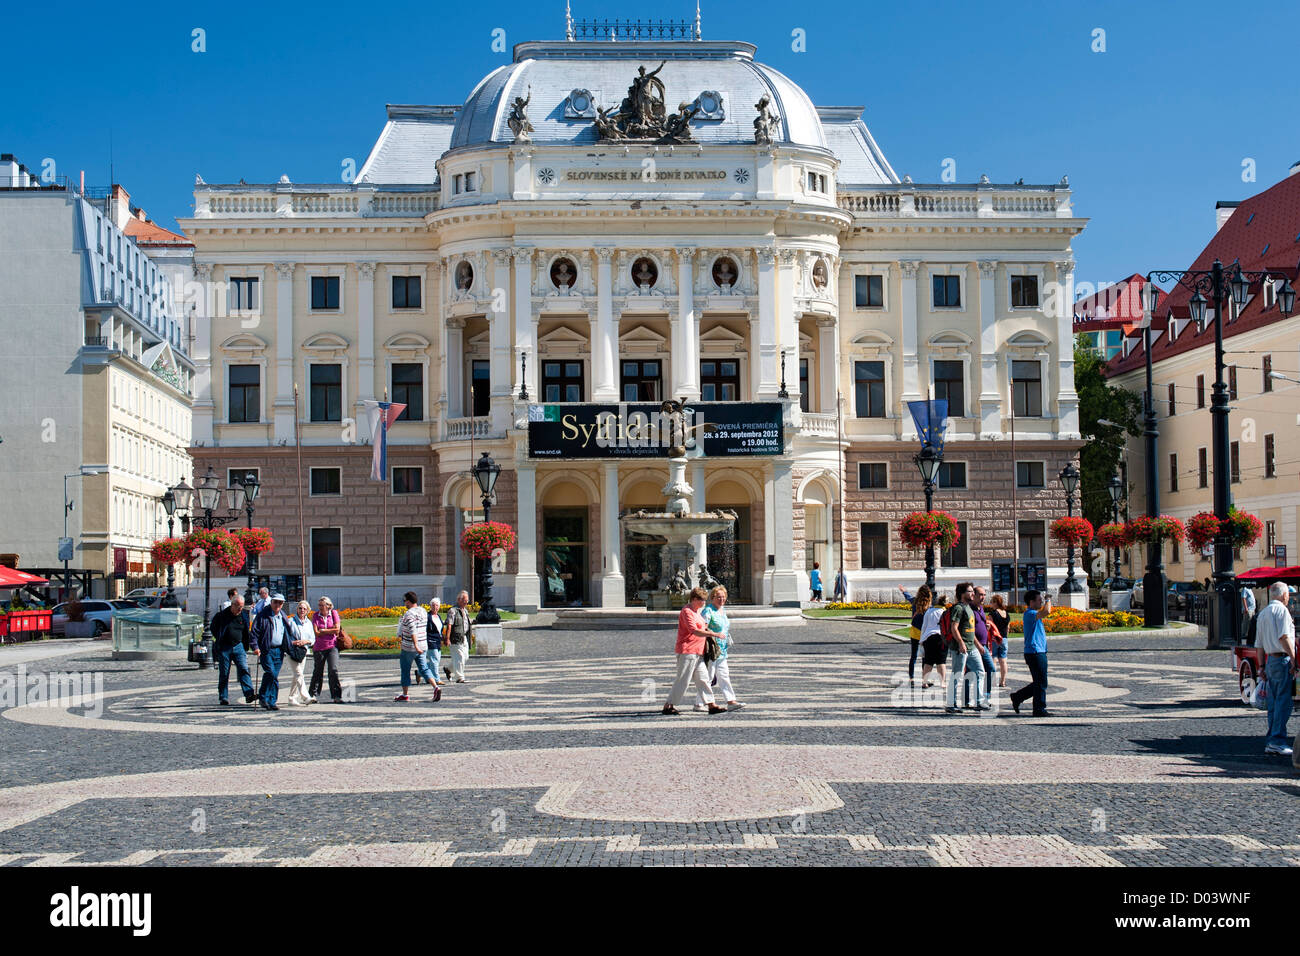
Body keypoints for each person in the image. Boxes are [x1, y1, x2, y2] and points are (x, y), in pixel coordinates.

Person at [662, 587, 727, 715]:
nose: (704, 602)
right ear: (693, 599)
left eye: (704, 600)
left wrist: (708, 631)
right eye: (701, 600)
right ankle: (668, 705)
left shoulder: (697, 612)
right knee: (683, 679)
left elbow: (702, 627)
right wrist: (713, 634)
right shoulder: (687, 611)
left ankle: (711, 705)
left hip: (698, 651)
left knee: (703, 679)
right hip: (687, 650)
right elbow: (693, 630)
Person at [1256, 582, 1297, 756]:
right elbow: (1284, 637)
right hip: (1281, 659)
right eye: (1288, 594)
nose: (1288, 597)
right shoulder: (1282, 611)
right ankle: (1277, 741)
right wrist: (1294, 660)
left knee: (1274, 704)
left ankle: (1272, 739)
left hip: (1270, 660)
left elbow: (1258, 645)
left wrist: (1261, 667)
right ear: (1283, 595)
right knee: (1283, 703)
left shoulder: (1263, 613)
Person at [695, 585, 742, 711]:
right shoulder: (708, 611)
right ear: (712, 598)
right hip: (712, 649)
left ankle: (731, 701)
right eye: (718, 597)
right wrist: (713, 635)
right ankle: (699, 703)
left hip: (722, 649)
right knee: (709, 677)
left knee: (724, 675)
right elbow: (702, 627)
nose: (721, 599)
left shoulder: (723, 610)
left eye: (723, 597)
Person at [1009, 590, 1052, 717]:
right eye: (1039, 600)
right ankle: (1039, 708)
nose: (1041, 602)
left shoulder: (1033, 613)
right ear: (1031, 602)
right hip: (1034, 652)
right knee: (1041, 682)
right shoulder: (1030, 613)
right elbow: (1047, 611)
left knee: (1040, 682)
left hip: (1038, 651)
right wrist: (1048, 598)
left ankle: (1018, 697)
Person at [946, 582, 986, 713]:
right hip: (960, 648)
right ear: (962, 594)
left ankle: (979, 701)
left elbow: (971, 630)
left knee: (980, 671)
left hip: (971, 647)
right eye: (970, 591)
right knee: (957, 675)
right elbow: (954, 628)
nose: (973, 593)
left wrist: (978, 645)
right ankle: (951, 704)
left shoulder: (969, 608)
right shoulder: (958, 608)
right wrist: (961, 643)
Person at [210, 593, 256, 706]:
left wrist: (247, 645)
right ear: (232, 604)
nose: (240, 609)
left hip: (239, 646)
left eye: (242, 606)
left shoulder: (243, 615)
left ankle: (249, 694)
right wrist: (219, 638)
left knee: (244, 669)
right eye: (238, 606)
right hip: (225, 647)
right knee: (224, 673)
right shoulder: (221, 615)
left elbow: (246, 630)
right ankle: (223, 697)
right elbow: (213, 627)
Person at [395, 591, 440, 702]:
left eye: (405, 601)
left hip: (409, 647)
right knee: (424, 668)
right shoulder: (423, 611)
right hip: (423, 645)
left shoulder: (409, 614)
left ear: (409, 601)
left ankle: (405, 694)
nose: (404, 603)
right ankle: (436, 687)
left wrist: (415, 645)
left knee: (405, 670)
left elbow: (413, 630)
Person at [249, 593, 290, 710]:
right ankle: (263, 696)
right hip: (266, 650)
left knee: (274, 676)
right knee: (271, 673)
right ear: (271, 602)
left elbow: (288, 632)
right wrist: (255, 647)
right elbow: (254, 633)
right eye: (275, 602)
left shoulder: (282, 616)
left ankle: (272, 701)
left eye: (280, 603)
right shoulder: (263, 615)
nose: (278, 604)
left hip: (279, 650)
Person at [309, 595, 344, 703]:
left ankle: (336, 695)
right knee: (318, 671)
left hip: (332, 646)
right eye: (319, 605)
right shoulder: (315, 615)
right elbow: (316, 632)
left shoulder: (334, 614)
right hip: (319, 647)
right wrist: (329, 630)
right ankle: (313, 694)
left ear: (328, 606)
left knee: (333, 669)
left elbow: (337, 630)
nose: (319, 607)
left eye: (322, 605)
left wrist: (323, 631)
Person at [284, 600, 315, 706]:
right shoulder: (290, 621)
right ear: (297, 609)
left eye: (304, 609)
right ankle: (306, 697)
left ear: (307, 611)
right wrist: (293, 642)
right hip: (292, 650)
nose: (302, 610)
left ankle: (292, 698)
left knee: (297, 676)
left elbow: (312, 638)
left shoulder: (309, 623)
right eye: (300, 608)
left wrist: (306, 641)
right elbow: (285, 636)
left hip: (303, 651)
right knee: (298, 673)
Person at [969, 586, 995, 707]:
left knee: (972, 672)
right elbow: (969, 630)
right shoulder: (970, 609)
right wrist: (978, 645)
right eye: (980, 595)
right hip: (975, 646)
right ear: (973, 595)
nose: (983, 597)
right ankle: (981, 698)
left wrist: (986, 627)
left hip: (983, 644)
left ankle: (977, 698)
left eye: (984, 594)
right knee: (987, 669)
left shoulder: (981, 608)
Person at [443, 591, 474, 683]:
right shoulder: (453, 611)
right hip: (455, 638)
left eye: (467, 601)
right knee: (460, 657)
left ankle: (448, 669)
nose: (466, 603)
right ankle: (460, 677)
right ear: (459, 600)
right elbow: (449, 625)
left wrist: (470, 638)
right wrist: (447, 638)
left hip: (464, 637)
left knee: (465, 657)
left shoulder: (465, 611)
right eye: (464, 600)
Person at [919, 593, 948, 689]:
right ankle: (942, 682)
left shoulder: (929, 611)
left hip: (929, 638)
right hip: (941, 638)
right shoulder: (945, 612)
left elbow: (924, 626)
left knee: (928, 661)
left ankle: (924, 682)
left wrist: (922, 639)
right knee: (941, 662)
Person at [986, 594, 1011, 688]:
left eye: (992, 602)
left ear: (996, 603)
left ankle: (992, 680)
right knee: (1003, 660)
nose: (990, 604)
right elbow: (1008, 627)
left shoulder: (993, 614)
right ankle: (1003, 681)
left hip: (994, 638)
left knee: (993, 659)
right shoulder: (1006, 613)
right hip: (1004, 639)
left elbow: (989, 626)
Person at [908, 585, 933, 683]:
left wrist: (904, 591)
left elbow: (908, 597)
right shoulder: (929, 605)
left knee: (913, 656)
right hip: (925, 634)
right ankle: (925, 679)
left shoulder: (915, 601)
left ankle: (911, 677)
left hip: (915, 632)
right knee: (925, 657)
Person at [425, 597, 445, 685]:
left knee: (436, 661)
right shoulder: (427, 617)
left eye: (436, 605)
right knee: (434, 660)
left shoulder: (439, 617)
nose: (435, 607)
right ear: (430, 606)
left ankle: (420, 672)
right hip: (430, 640)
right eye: (433, 605)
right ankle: (436, 679)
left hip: (437, 641)